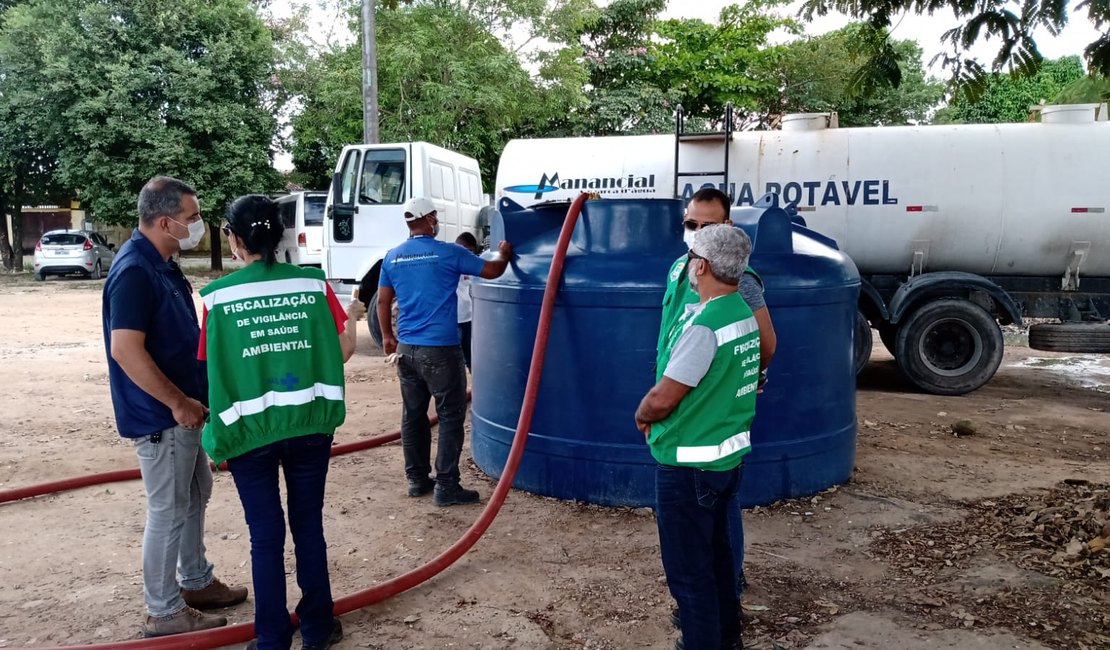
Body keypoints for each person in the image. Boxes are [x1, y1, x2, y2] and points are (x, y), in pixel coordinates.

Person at [198, 195, 364, 650]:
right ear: (280, 238)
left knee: (266, 536)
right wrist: (349, 318)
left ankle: (271, 639)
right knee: (308, 527)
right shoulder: (313, 286)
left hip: (250, 435)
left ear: (234, 239)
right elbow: (343, 350)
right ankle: (317, 628)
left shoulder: (218, 298)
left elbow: (212, 370)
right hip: (310, 428)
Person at [102, 176, 248, 638]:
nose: (198, 226)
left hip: (185, 415)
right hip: (162, 419)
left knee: (195, 494)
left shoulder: (160, 264)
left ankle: (195, 581)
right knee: (167, 509)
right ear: (165, 222)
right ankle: (164, 612)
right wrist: (178, 402)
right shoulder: (134, 272)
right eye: (192, 219)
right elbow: (125, 349)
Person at [636, 224, 760, 650]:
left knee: (690, 574)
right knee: (720, 563)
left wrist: (643, 412)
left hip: (687, 468)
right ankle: (728, 641)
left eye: (691, 260)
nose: (688, 267)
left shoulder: (705, 326)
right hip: (726, 462)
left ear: (702, 266)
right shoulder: (742, 313)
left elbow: (663, 397)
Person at [658, 187, 776, 623]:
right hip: (681, 406)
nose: (698, 233)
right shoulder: (680, 268)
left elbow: (765, 342)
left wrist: (745, 379)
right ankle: (706, 604)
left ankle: (721, 598)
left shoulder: (738, 277)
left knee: (714, 511)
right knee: (698, 516)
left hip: (707, 419)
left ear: (727, 226)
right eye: (692, 224)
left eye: (708, 226)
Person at [377, 197, 513, 506]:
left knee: (413, 415)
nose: (437, 221)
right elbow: (492, 271)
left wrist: (388, 336)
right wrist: (504, 253)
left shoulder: (393, 257)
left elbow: (383, 301)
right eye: (435, 216)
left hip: (407, 350)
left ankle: (416, 480)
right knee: (451, 415)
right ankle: (447, 485)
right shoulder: (448, 252)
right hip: (440, 349)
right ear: (427, 220)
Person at [454, 232, 479, 371]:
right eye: (469, 251)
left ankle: (474, 384)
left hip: (467, 316)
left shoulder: (468, 265)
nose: (470, 255)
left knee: (470, 354)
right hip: (453, 318)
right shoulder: (451, 263)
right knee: (455, 355)